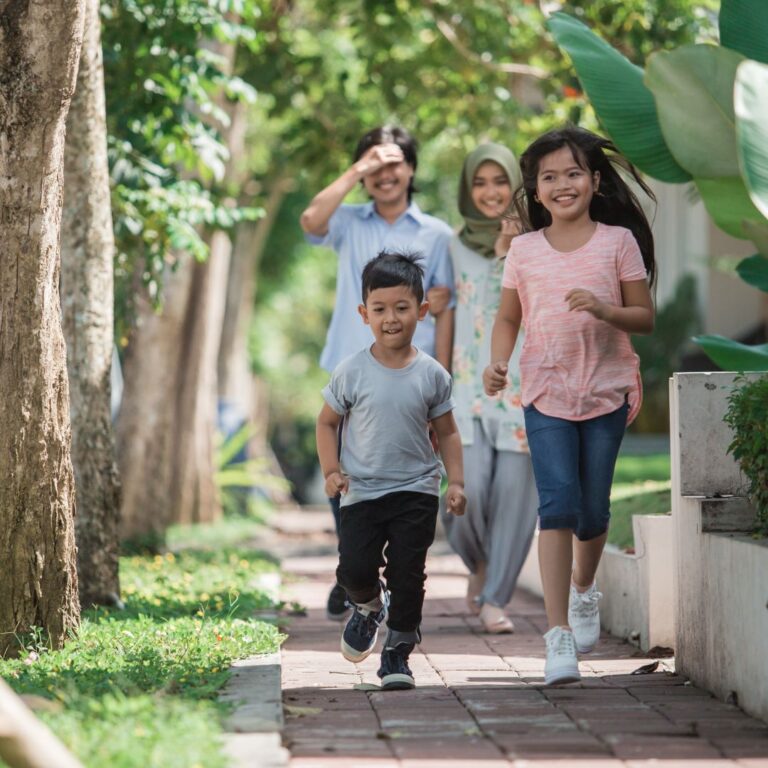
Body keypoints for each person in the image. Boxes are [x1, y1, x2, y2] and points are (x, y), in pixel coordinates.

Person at [483, 126, 656, 686]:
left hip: (605, 388)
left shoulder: (616, 243)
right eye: (549, 177)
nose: (562, 185)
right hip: (545, 392)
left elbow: (644, 317)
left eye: (573, 173)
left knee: (593, 511)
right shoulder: (525, 251)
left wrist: (605, 310)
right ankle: (558, 636)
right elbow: (509, 316)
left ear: (594, 180)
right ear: (535, 191)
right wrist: (498, 361)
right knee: (556, 505)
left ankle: (584, 590)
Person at [300, 126, 455, 621]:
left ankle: (381, 578)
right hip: (351, 366)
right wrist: (356, 170)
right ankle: (355, 574)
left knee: (406, 472)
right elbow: (310, 219)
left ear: (411, 169)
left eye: (395, 164)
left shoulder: (437, 234)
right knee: (343, 470)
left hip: (415, 377)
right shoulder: (347, 222)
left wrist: (443, 380)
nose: (386, 174)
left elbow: (445, 307)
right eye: (375, 165)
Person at [316, 251, 466, 690]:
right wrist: (331, 470)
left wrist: (455, 481)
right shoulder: (351, 371)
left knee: (408, 573)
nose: (391, 318)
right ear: (364, 314)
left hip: (416, 490)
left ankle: (398, 649)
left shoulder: (433, 374)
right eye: (379, 309)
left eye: (402, 308)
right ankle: (366, 606)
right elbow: (326, 423)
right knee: (354, 571)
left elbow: (449, 433)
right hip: (361, 491)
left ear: (422, 311)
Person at [442, 143, 538, 634]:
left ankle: (495, 599)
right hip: (464, 391)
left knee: (517, 499)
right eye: (479, 183)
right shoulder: (451, 246)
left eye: (499, 181)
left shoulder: (539, 241)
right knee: (466, 495)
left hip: (526, 391)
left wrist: (511, 254)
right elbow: (449, 314)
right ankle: (478, 562)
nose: (490, 192)